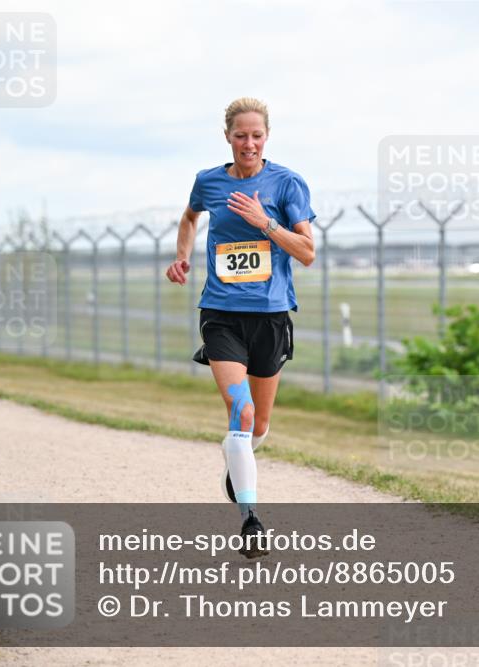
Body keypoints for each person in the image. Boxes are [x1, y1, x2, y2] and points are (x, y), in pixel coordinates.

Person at [166, 97, 315, 558]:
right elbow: (191, 215)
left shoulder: (288, 183)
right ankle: (251, 519)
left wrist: (264, 221)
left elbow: (307, 252)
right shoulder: (208, 181)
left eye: (256, 135)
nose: (248, 143)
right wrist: (184, 254)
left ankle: (238, 455)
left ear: (266, 137)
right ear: (227, 137)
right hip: (221, 313)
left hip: (270, 316)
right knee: (242, 413)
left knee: (260, 425)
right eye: (239, 135)